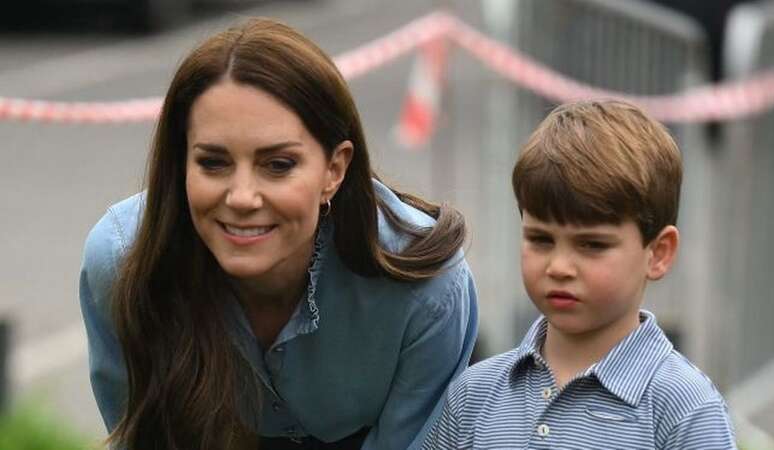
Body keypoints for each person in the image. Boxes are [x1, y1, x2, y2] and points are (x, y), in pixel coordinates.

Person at [79, 18, 477, 450]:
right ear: (181, 164)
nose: (243, 197)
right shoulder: (122, 261)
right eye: (213, 163)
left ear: (334, 170)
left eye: (278, 165)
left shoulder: (427, 288)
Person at [423, 100, 736, 449]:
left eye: (591, 245)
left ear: (658, 253)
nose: (558, 267)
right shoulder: (474, 395)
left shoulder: (684, 408)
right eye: (541, 239)